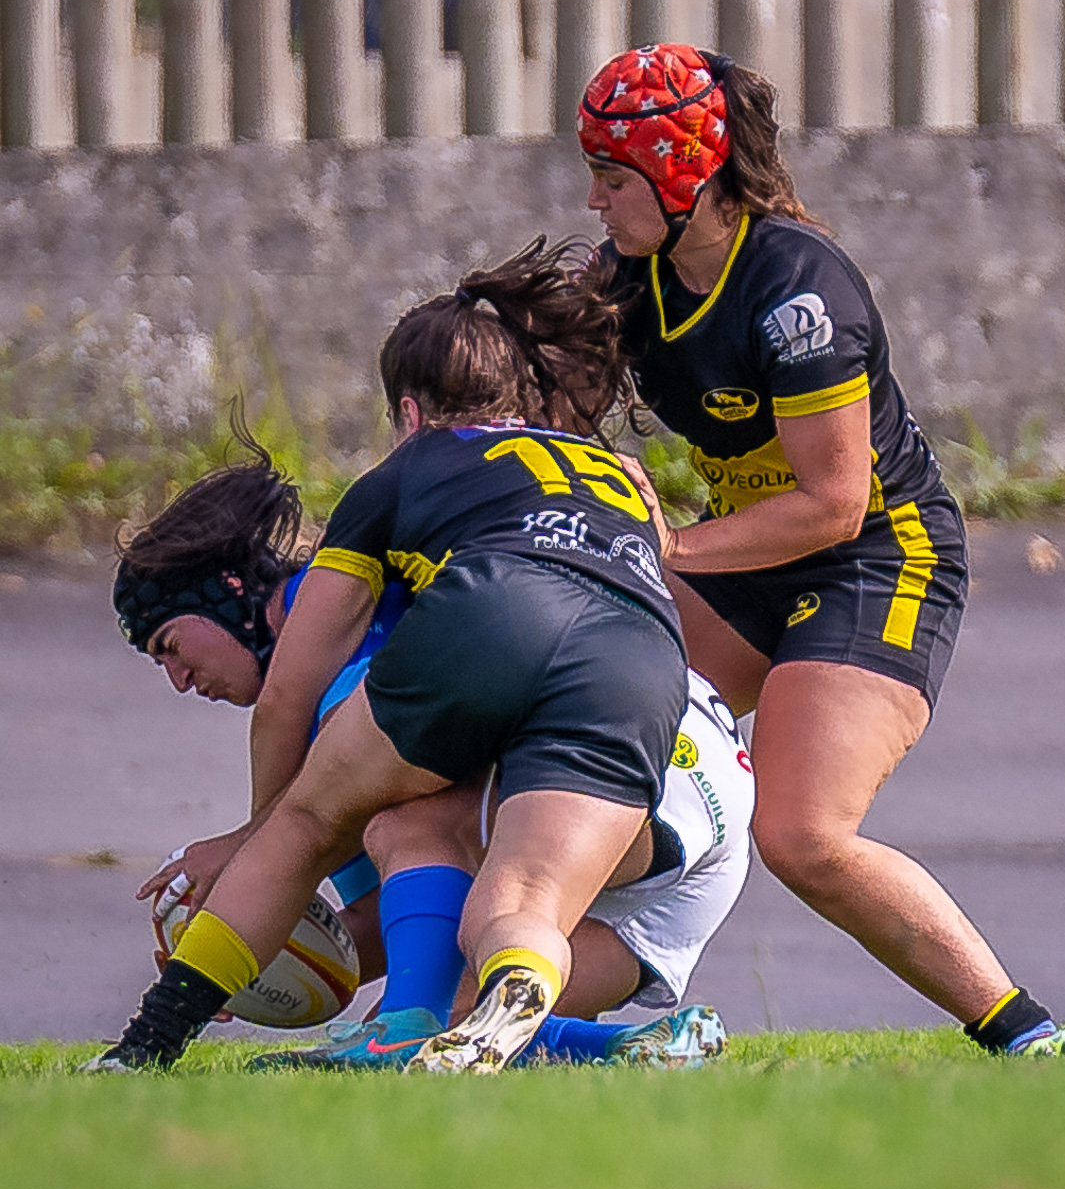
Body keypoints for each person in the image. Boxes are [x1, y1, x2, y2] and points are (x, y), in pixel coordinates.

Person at [577, 43, 1065, 1060]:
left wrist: (672, 543)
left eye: (609, 178)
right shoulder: (629, 276)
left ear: (679, 175)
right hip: (745, 558)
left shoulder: (796, 292)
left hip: (873, 560)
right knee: (580, 706)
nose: (593, 202)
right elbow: (539, 381)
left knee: (801, 837)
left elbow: (830, 504)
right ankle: (517, 976)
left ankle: (1029, 1038)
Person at [88, 239, 702, 1075]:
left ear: (410, 414)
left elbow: (288, 696)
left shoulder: (405, 471)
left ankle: (146, 1045)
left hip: (498, 608)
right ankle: (515, 991)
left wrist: (267, 834)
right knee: (522, 898)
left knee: (307, 820)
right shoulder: (615, 469)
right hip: (643, 656)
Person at [113, 444, 751, 1068]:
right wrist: (240, 958)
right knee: (446, 1006)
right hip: (686, 764)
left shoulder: (348, 624)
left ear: (225, 590)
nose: (178, 678)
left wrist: (252, 851)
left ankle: (159, 1046)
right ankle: (632, 1049)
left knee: (408, 842)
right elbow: (398, 912)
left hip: (640, 754)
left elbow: (303, 816)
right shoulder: (477, 526)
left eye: (168, 644)